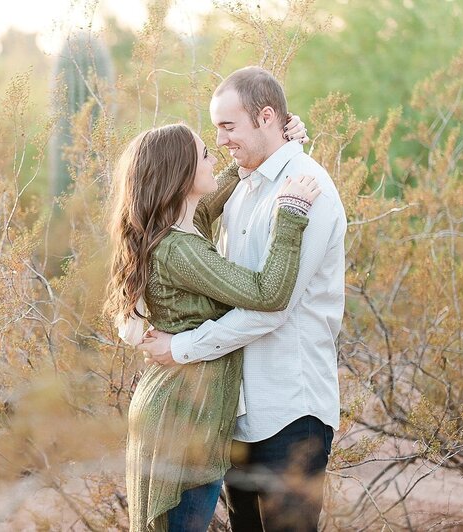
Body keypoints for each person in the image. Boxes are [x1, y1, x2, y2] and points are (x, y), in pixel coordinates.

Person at [143, 66, 346, 531]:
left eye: (228, 127)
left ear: (267, 117)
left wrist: (181, 348)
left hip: (289, 411)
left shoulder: (308, 191)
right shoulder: (240, 188)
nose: (221, 140)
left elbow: (271, 307)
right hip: (236, 412)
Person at [105, 119, 319, 531]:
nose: (216, 157)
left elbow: (221, 187)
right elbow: (267, 293)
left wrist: (273, 145)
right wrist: (291, 217)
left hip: (177, 409)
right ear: (182, 175)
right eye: (205, 154)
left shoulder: (180, 226)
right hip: (184, 416)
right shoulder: (180, 250)